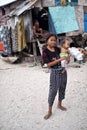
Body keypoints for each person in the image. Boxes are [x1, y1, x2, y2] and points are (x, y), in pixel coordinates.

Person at [42, 34, 70, 120]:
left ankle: (59, 104)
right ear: (47, 41)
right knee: (53, 90)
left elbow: (66, 57)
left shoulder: (58, 49)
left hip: (63, 71)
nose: (54, 42)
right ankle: (49, 111)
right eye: (51, 40)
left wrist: (68, 57)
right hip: (54, 72)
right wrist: (60, 60)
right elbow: (49, 64)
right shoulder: (45, 51)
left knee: (62, 88)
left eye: (55, 40)